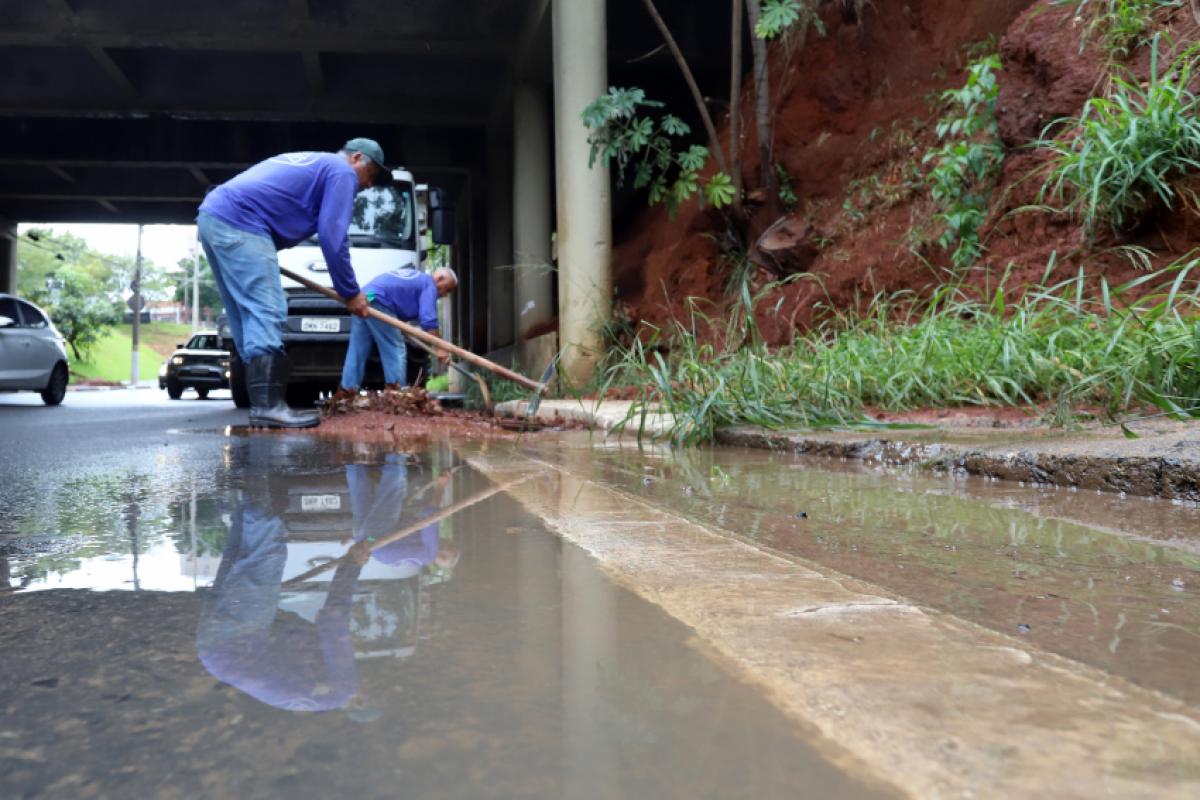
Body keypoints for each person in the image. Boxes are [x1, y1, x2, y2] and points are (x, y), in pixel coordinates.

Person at [196, 138, 393, 428]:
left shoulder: (316, 163)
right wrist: (350, 292)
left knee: (245, 315)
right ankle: (268, 407)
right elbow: (332, 236)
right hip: (241, 220)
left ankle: (262, 404)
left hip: (214, 216)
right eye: (372, 175)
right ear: (357, 159)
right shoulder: (342, 172)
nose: (369, 185)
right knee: (268, 308)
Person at [336, 266, 458, 395]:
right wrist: (440, 347)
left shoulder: (419, 279)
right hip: (379, 302)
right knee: (395, 347)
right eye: (447, 289)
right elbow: (429, 321)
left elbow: (401, 300)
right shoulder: (429, 284)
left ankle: (346, 391)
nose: (445, 294)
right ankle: (397, 394)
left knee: (357, 349)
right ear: (439, 278)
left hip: (364, 298)